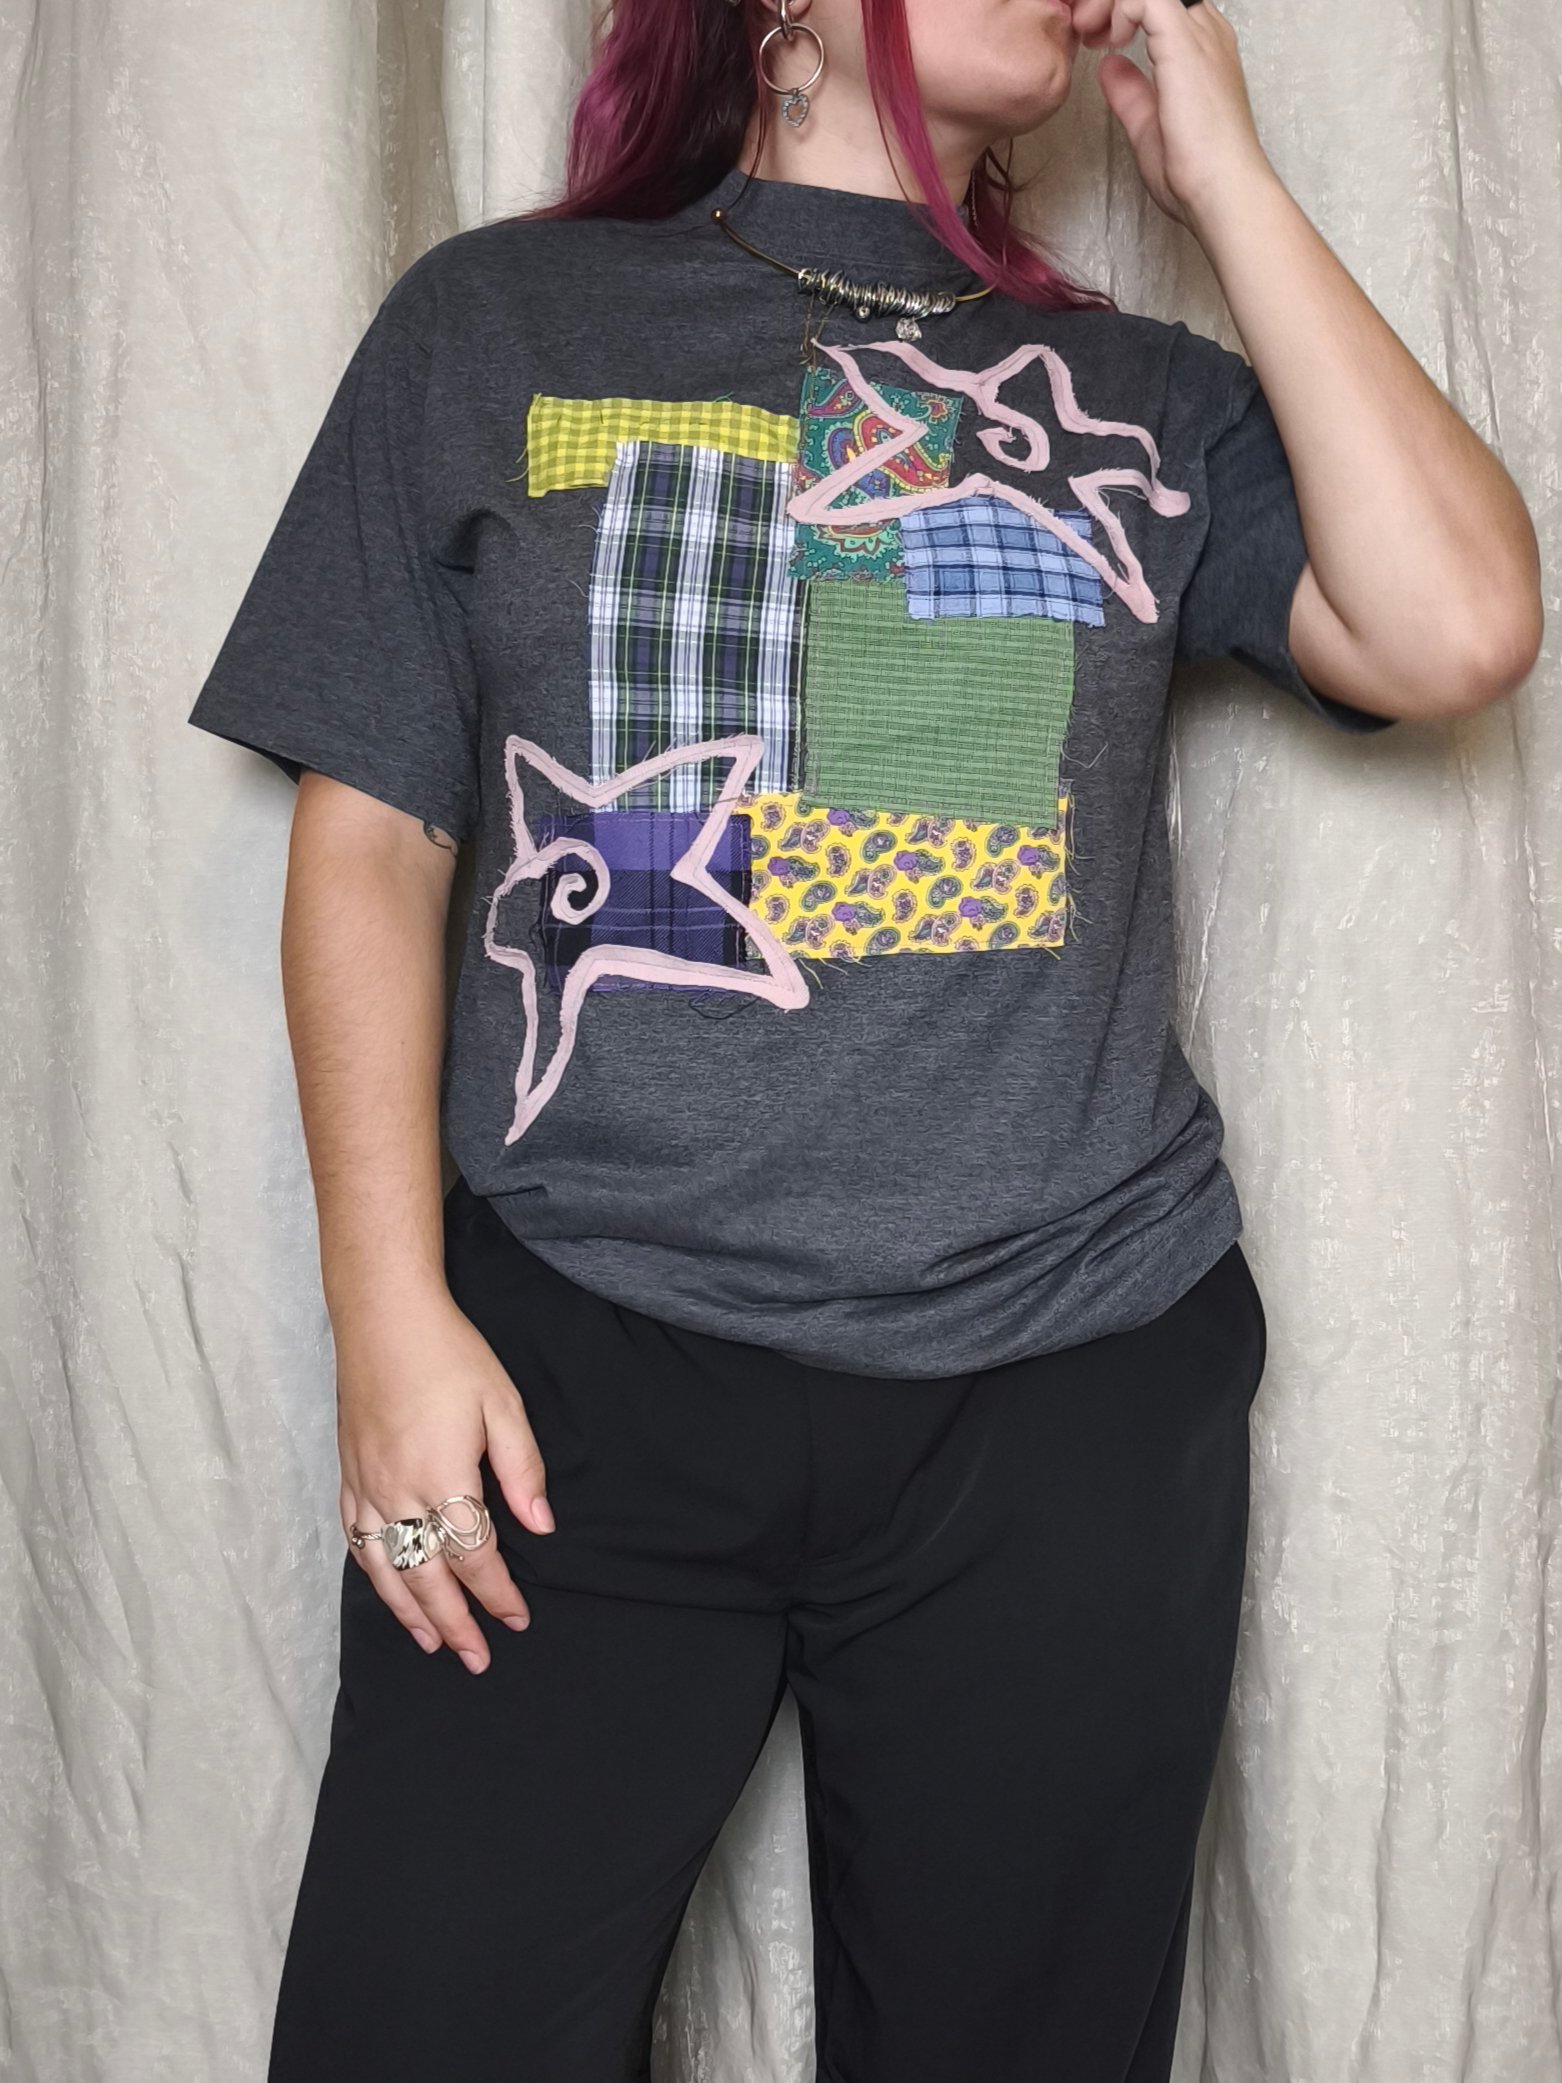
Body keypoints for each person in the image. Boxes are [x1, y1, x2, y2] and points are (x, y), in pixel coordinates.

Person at [187, 0, 1542, 2076]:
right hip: (577, 1368)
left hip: (1067, 1372)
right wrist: (388, 1318)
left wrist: (1226, 184)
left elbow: (1454, 629)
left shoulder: (1133, 393)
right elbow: (372, 839)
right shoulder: (499, 322)